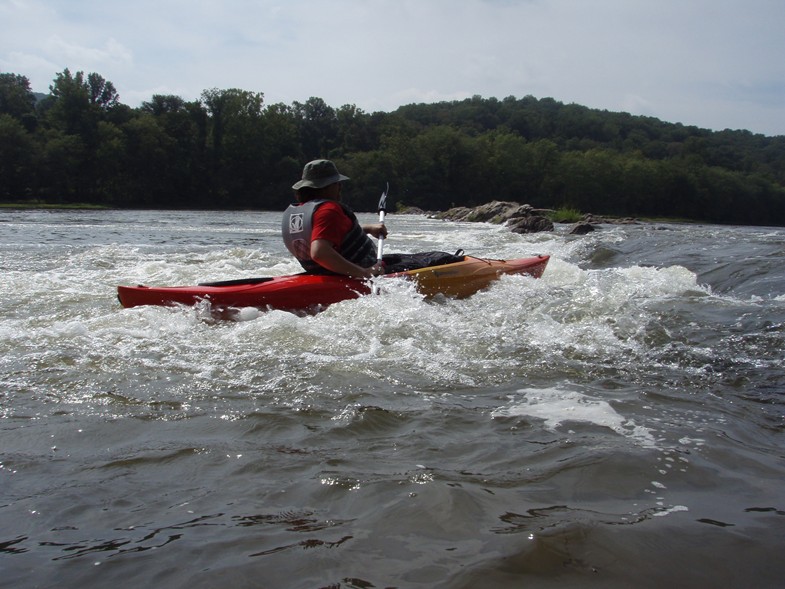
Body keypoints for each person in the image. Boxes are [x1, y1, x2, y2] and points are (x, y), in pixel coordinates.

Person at [282, 159, 388, 278]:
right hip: (354, 273)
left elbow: (327, 235)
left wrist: (367, 229)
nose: (340, 187)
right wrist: (365, 273)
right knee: (411, 261)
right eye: (336, 183)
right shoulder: (328, 209)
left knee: (396, 258)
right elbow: (319, 253)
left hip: (322, 274)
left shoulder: (300, 212)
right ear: (326, 187)